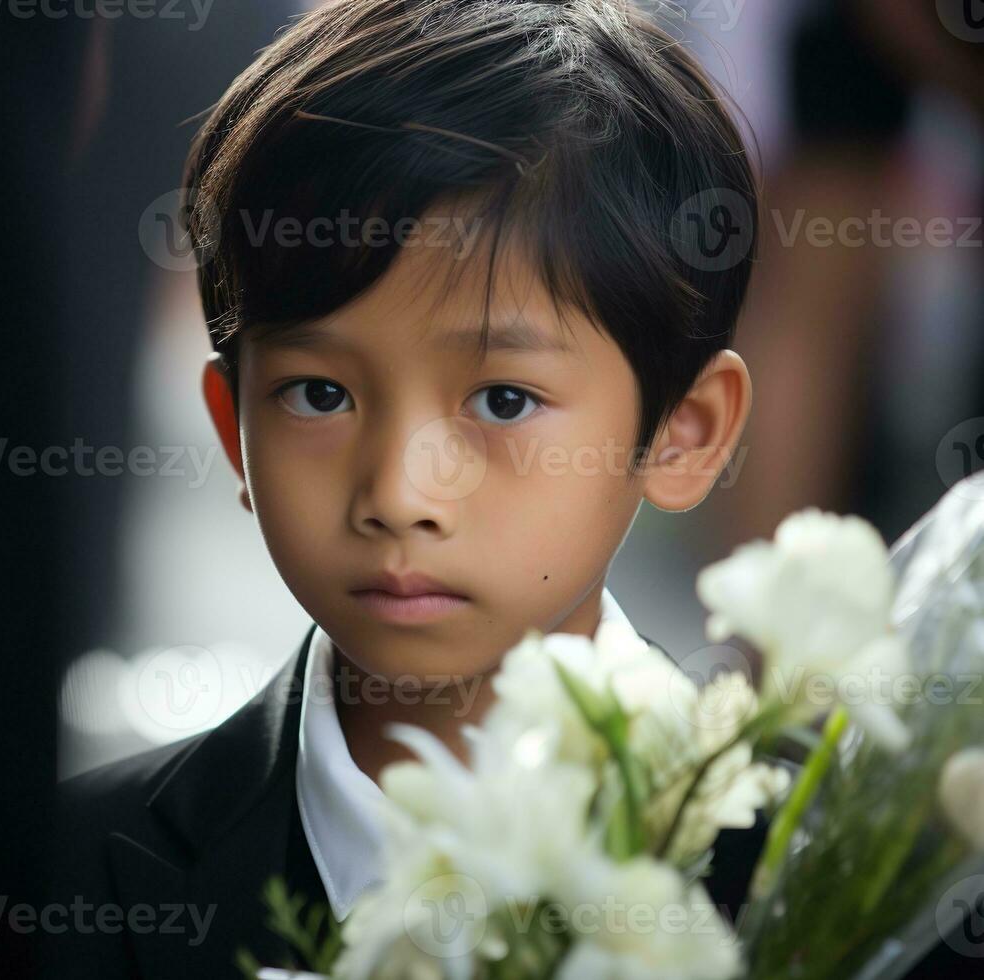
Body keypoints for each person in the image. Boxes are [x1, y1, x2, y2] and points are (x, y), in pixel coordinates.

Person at [49, 1, 970, 975]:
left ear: (683, 431)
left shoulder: (829, 882)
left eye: (501, 398)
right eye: (319, 393)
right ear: (234, 425)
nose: (400, 492)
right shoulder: (63, 877)